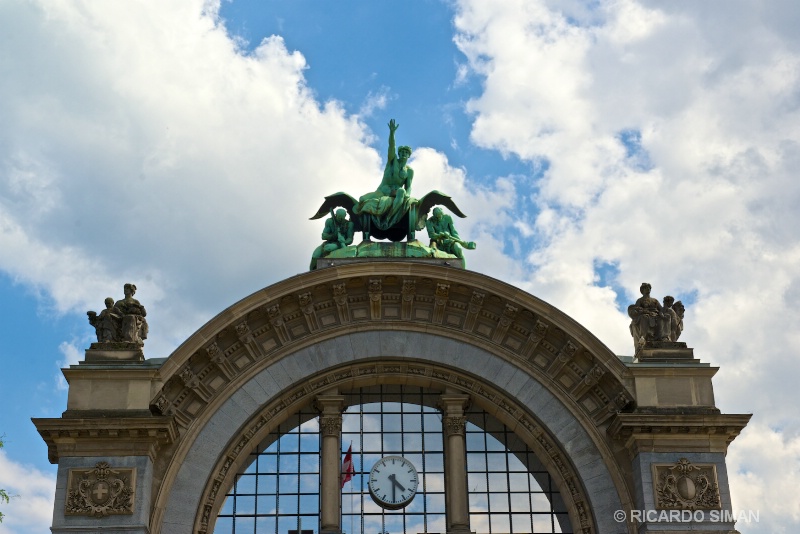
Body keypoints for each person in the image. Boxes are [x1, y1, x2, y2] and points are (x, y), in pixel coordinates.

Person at [353, 119, 414, 239]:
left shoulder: (409, 171)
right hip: (382, 191)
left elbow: (409, 186)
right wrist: (392, 133)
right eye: (401, 152)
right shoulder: (392, 161)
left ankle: (389, 218)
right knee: (362, 200)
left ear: (409, 155)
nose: (403, 154)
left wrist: (407, 196)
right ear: (399, 154)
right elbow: (391, 146)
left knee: (402, 191)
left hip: (397, 193)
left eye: (406, 152)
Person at [627, 283, 663, 351]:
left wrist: (663, 312)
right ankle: (644, 337)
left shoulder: (654, 300)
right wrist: (642, 311)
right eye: (646, 288)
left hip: (655, 315)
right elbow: (637, 309)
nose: (648, 289)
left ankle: (662, 337)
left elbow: (661, 309)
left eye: (649, 288)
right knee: (644, 318)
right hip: (645, 315)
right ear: (642, 290)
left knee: (661, 319)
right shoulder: (640, 300)